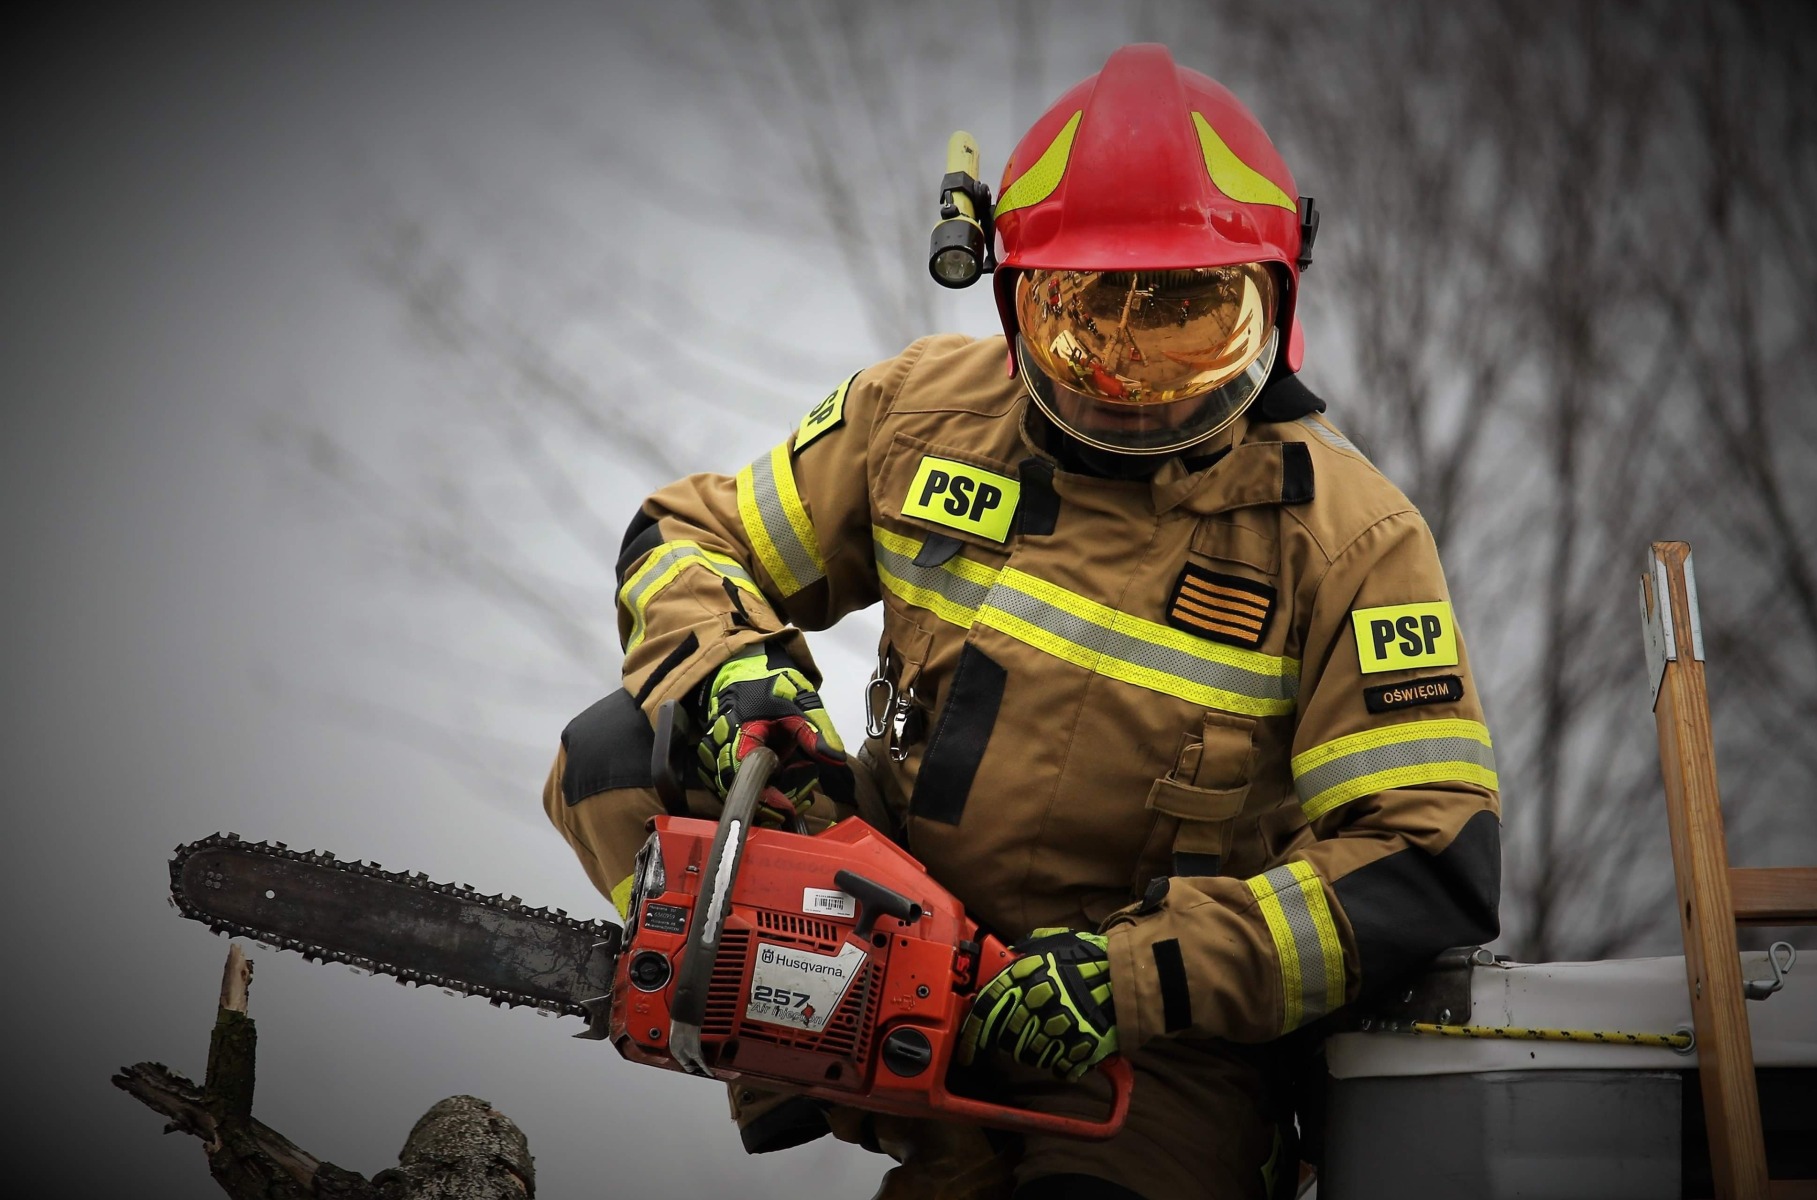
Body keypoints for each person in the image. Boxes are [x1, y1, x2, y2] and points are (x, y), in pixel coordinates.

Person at [544, 43, 1500, 1200]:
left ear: (1273, 296)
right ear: (1011, 294)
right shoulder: (920, 414)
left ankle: (955, 1130)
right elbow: (680, 538)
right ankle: (804, 1048)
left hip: (1152, 1043)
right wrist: (738, 678)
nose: (1129, 374)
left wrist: (1135, 979)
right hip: (880, 921)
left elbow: (1424, 859)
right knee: (614, 754)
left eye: (1187, 319)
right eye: (1089, 316)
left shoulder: (1350, 539)